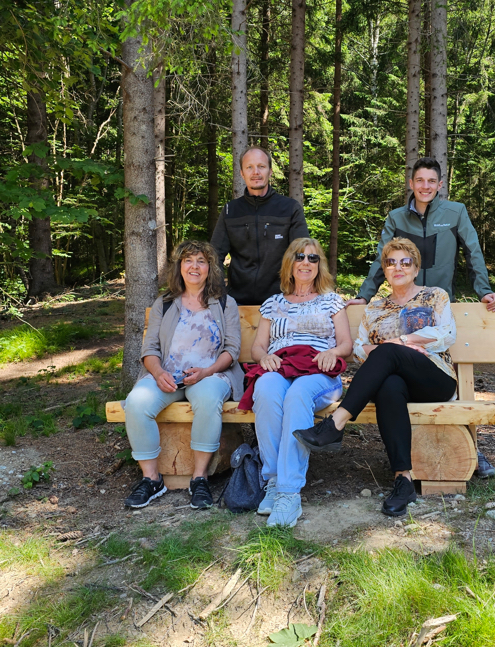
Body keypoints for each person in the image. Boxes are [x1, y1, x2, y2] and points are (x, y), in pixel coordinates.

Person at [348, 157, 495, 479]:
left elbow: (473, 251)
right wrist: (364, 295)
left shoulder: (455, 213)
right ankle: (410, 457)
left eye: (432, 181)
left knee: (441, 372)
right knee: (398, 375)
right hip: (401, 309)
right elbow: (382, 259)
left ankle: (472, 448)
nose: (425, 186)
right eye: (420, 180)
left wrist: (484, 290)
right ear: (411, 183)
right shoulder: (396, 217)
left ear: (440, 184)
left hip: (438, 307)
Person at [294, 238, 458, 517]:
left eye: (405, 262)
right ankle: (403, 480)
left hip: (435, 378)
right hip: (398, 384)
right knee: (389, 385)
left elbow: (446, 334)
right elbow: (360, 350)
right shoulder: (375, 308)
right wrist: (394, 349)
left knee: (388, 351)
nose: (398, 267)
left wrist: (401, 342)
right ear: (384, 269)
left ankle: (336, 423)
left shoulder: (434, 296)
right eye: (391, 262)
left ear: (416, 269)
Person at [122, 240, 244, 511]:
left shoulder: (225, 304)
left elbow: (232, 350)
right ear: (179, 266)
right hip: (167, 376)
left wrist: (207, 371)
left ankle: (199, 479)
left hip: (211, 374)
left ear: (210, 268)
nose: (194, 266)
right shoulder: (165, 304)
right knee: (137, 402)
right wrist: (158, 373)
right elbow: (149, 349)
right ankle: (152, 479)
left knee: (208, 399)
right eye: (188, 260)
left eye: (201, 261)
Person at [243, 237, 352, 528]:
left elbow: (346, 344)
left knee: (297, 394)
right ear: (290, 264)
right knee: (266, 390)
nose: (306, 262)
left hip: (319, 372)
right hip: (281, 367)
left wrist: (332, 353)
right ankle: (274, 481)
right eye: (300, 257)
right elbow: (258, 347)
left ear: (319, 265)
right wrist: (265, 357)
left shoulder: (331, 300)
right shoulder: (273, 303)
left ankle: (289, 493)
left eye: (313, 258)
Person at [210, 147, 310, 305]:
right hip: (238, 303)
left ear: (270, 171)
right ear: (242, 173)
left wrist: (299, 296)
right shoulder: (230, 211)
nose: (255, 172)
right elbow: (214, 257)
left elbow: (304, 256)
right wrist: (221, 294)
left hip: (282, 302)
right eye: (249, 167)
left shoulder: (290, 208)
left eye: (261, 166)